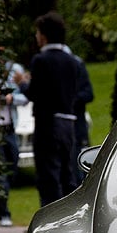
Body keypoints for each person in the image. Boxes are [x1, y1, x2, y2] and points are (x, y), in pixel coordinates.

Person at [13, 11, 78, 207]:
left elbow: (35, 94)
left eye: (38, 33)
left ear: (44, 35)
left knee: (48, 176)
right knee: (67, 174)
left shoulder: (41, 60)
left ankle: (50, 220)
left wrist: (22, 84)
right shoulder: (72, 61)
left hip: (48, 124)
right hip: (69, 122)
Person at [0, 58, 29, 227]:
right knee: (0, 174)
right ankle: (2, 213)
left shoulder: (14, 69)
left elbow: (26, 96)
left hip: (10, 128)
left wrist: (10, 98)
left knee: (12, 167)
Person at [62, 44, 94, 184]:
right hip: (62, 127)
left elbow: (88, 94)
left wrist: (70, 99)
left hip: (76, 125)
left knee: (79, 166)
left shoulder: (78, 66)